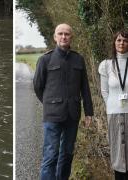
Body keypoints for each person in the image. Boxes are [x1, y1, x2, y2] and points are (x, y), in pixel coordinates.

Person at [33, 23, 94, 180]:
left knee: (67, 155)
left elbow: (85, 88)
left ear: (71, 37)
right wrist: (50, 103)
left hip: (72, 115)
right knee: (51, 155)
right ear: (55, 37)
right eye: (60, 33)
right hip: (52, 116)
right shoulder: (45, 60)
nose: (63, 36)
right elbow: (38, 87)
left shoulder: (78, 59)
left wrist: (89, 112)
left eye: (67, 34)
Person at [98, 30, 128, 180]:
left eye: (125, 40)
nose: (121, 43)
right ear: (114, 43)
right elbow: (104, 92)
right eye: (118, 40)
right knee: (117, 151)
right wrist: (113, 106)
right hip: (114, 114)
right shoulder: (106, 65)